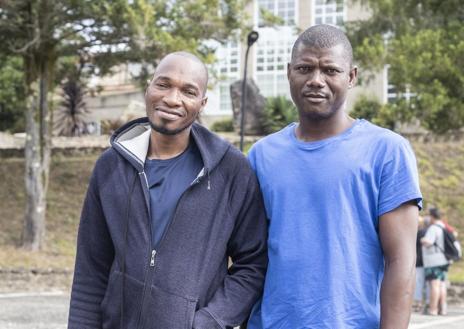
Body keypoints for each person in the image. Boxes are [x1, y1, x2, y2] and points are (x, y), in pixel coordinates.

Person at [68, 51, 268, 329]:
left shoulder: (231, 171)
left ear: (202, 103)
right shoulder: (110, 167)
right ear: (148, 87)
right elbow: (91, 269)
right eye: (163, 84)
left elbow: (254, 264)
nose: (172, 99)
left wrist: (209, 321)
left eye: (188, 91)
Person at [247, 24, 422, 329]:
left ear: (351, 76)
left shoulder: (386, 151)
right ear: (289, 72)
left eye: (330, 70)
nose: (316, 80)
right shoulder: (261, 155)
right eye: (305, 68)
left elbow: (401, 263)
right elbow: (248, 258)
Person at [421, 207, 449, 315]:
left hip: (434, 260)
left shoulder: (433, 228)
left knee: (434, 285)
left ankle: (433, 309)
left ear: (432, 216)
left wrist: (422, 240)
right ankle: (443, 308)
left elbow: (429, 242)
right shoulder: (444, 227)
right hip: (444, 259)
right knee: (442, 284)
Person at [413, 215, 430, 312]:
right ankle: (428, 303)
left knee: (418, 282)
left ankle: (418, 303)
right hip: (430, 261)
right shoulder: (431, 232)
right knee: (428, 283)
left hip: (419, 261)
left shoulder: (420, 232)